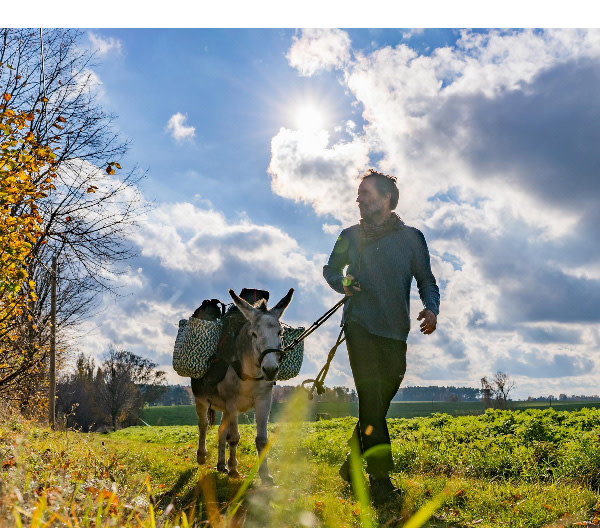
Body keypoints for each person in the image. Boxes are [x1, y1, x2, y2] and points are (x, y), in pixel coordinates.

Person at [323, 169, 440, 504]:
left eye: (367, 194)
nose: (359, 199)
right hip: (359, 324)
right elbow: (330, 270)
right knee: (371, 398)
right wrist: (342, 283)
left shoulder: (412, 239)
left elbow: (426, 280)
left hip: (395, 331)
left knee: (379, 402)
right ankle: (380, 481)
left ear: (388, 198)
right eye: (358, 194)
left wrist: (431, 308)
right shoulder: (349, 236)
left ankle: (351, 461)